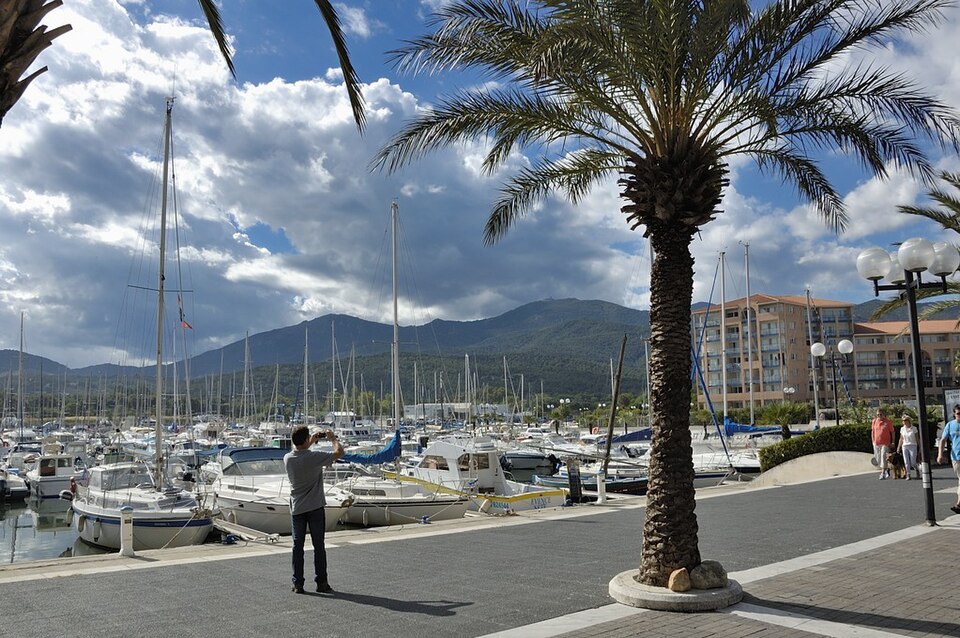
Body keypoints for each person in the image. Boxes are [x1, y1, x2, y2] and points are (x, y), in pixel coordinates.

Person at [283, 426, 344, 594]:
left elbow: (301, 452)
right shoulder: (315, 457)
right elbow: (339, 453)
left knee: (297, 546)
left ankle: (298, 583)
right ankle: (321, 582)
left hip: (297, 508)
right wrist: (332, 439)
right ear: (305, 440)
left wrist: (310, 441)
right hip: (315, 506)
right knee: (318, 546)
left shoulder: (287, 458)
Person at [937, 405, 960, 514]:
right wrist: (940, 454)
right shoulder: (950, 425)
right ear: (954, 414)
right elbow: (943, 440)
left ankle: (959, 503)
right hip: (956, 457)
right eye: (958, 413)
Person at [871, 409, 894, 480]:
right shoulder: (874, 421)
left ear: (884, 414)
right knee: (878, 458)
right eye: (878, 414)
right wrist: (873, 441)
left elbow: (892, 432)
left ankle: (883, 473)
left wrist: (893, 442)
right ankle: (886, 469)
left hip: (885, 443)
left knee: (883, 456)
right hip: (876, 443)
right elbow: (873, 431)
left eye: (881, 414)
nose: (879, 416)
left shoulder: (888, 422)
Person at [896, 415, 919, 481]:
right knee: (906, 461)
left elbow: (917, 438)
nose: (904, 422)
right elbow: (901, 438)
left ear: (908, 421)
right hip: (905, 445)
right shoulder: (902, 429)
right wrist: (898, 447)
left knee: (913, 462)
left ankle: (916, 469)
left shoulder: (914, 428)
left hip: (913, 445)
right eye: (903, 421)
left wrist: (919, 447)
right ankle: (908, 474)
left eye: (905, 420)